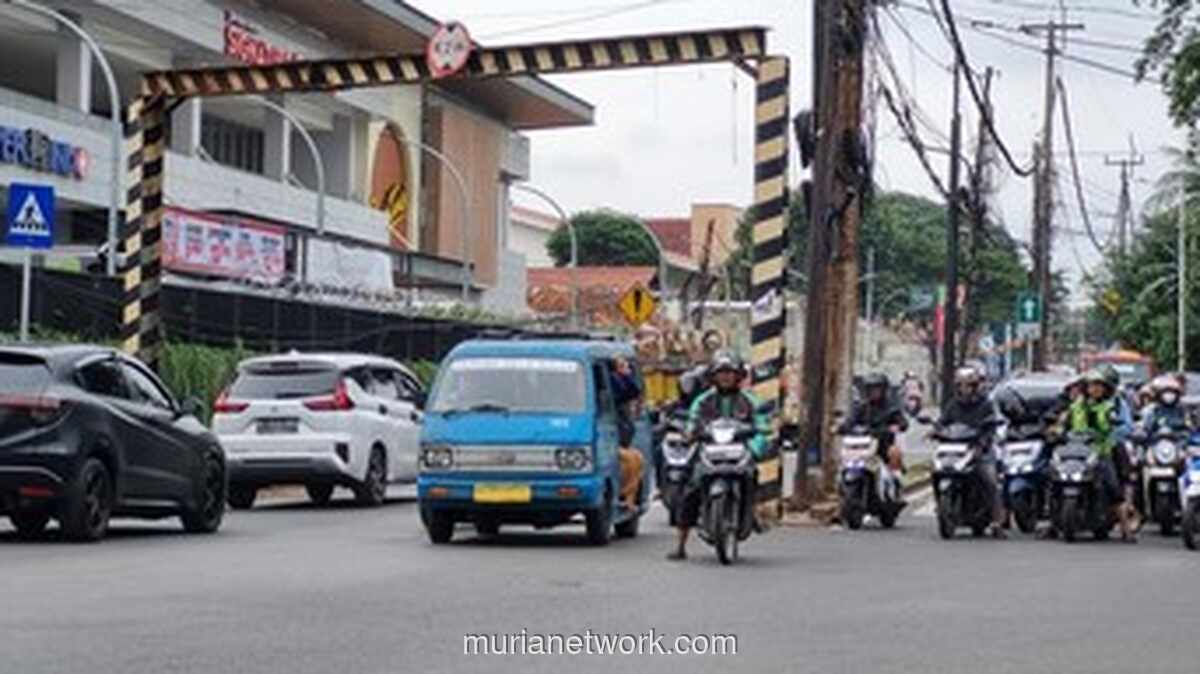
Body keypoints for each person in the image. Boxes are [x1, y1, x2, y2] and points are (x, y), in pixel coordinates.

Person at [667, 352, 770, 561]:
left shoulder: (751, 401)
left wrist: (755, 447)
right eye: (721, 373)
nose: (725, 377)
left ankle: (755, 512)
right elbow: (691, 424)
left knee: (753, 477)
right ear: (713, 376)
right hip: (709, 451)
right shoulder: (702, 401)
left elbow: (763, 428)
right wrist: (689, 434)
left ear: (738, 376)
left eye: (729, 373)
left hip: (739, 451)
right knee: (689, 489)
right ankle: (680, 543)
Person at [1067, 369, 1139, 541]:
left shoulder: (1110, 407)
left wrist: (1111, 425)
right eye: (1092, 385)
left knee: (1114, 488)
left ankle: (1126, 529)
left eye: (1099, 386)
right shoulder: (1076, 406)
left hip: (1101, 452)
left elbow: (1117, 425)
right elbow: (1064, 423)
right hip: (1077, 452)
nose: (1095, 389)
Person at [937, 364, 1006, 538]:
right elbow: (942, 422)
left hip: (979, 451)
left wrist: (983, 442)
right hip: (956, 450)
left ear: (976, 386)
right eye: (960, 385)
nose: (964, 389)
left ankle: (997, 522)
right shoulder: (952, 405)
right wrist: (936, 431)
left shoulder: (985, 405)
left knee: (990, 480)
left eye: (968, 385)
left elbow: (991, 426)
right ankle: (946, 506)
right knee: (938, 470)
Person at [842, 372, 907, 473]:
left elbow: (902, 422)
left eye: (877, 389)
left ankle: (895, 481)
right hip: (863, 446)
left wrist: (897, 426)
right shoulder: (861, 407)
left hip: (884, 445)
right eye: (871, 389)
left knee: (894, 453)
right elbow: (850, 421)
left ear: (883, 390)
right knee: (847, 459)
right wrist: (840, 427)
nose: (874, 392)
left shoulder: (891, 408)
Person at [610, 357, 645, 510]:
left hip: (622, 440)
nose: (627, 369)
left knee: (637, 459)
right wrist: (621, 374)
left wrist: (625, 374)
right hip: (611, 443)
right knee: (630, 461)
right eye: (623, 366)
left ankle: (628, 500)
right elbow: (631, 391)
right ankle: (623, 496)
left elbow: (635, 391)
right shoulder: (613, 382)